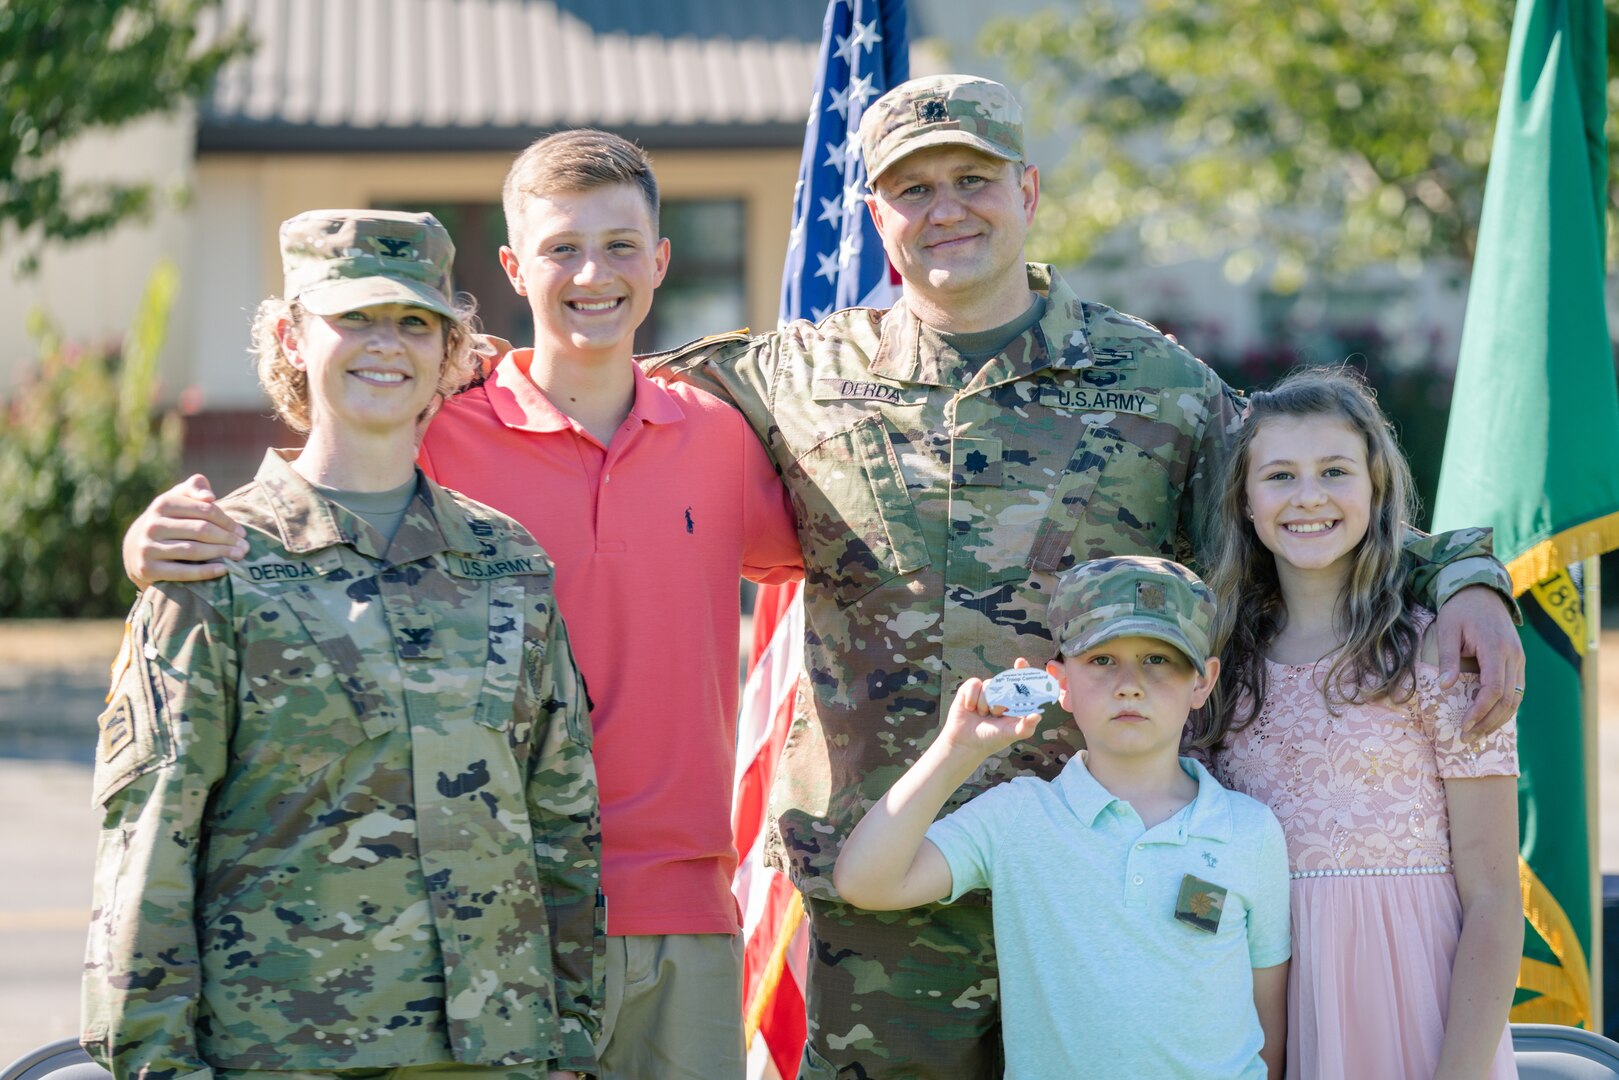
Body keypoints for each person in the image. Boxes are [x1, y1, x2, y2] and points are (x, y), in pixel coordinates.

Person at [641, 74, 1527, 1077]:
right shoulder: (788, 374)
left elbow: (1305, 507)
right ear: (873, 215)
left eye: (970, 178)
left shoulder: (1150, 381)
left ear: (1024, 191)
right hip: (896, 884)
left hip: (1107, 879)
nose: (945, 210)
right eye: (911, 189)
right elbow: (591, 409)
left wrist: (1462, 576)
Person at [121, 132, 802, 1080]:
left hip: (685, 910)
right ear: (515, 270)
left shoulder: (721, 438)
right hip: (494, 924)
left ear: (661, 262)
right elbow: (319, 486)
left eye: (618, 245)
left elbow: (841, 565)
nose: (591, 273)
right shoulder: (440, 426)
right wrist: (149, 541)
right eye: (562, 247)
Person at [83, 210, 601, 1080]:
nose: (384, 345)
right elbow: (149, 843)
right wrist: (154, 1063)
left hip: (496, 1048)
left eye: (413, 322)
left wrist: (571, 1039)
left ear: (450, 353)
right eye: (352, 317)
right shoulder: (216, 563)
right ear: (291, 336)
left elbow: (561, 819)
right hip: (285, 1052)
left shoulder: (507, 563)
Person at [834, 556, 1291, 1079]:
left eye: (1159, 660)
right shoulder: (1019, 817)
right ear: (1059, 683)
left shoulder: (1249, 831)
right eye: (1101, 660)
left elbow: (1267, 1020)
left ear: (1203, 682)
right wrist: (957, 750)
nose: (1130, 684)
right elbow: (865, 882)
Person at [1203, 367, 1520, 1079]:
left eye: (1334, 471)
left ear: (1375, 492)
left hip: (1416, 1004)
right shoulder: (1220, 667)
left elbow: (1496, 897)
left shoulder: (1438, 649)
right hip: (1264, 1004)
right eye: (1279, 475)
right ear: (1245, 502)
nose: (1308, 496)